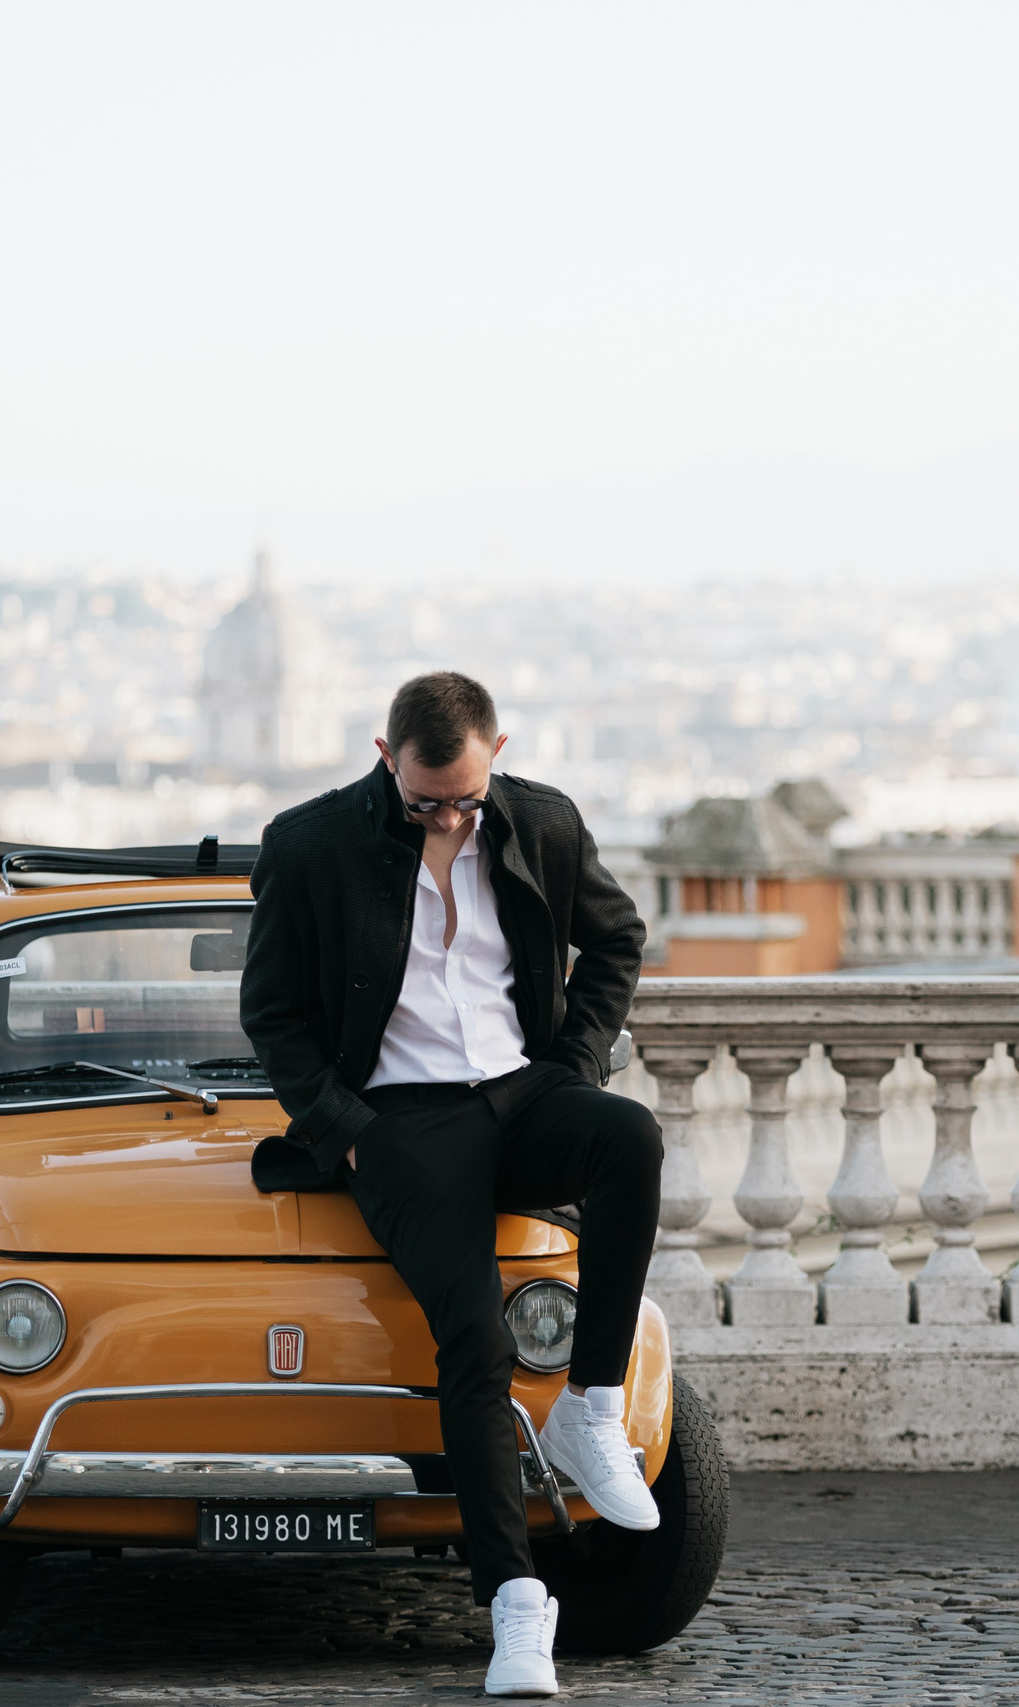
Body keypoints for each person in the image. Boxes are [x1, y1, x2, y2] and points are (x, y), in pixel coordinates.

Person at [240, 670, 661, 1699]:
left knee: (630, 1142)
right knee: (474, 1336)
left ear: (497, 753)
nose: (446, 818)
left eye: (464, 799)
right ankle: (517, 1607)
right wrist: (347, 1137)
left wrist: (577, 1067)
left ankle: (591, 1404)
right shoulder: (310, 844)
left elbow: (616, 941)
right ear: (385, 759)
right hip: (401, 1122)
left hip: (523, 1091)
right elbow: (272, 1014)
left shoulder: (542, 826)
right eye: (425, 799)